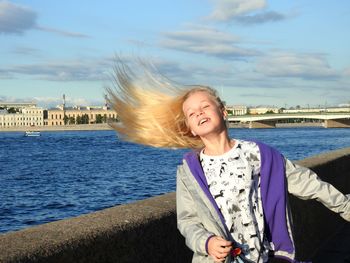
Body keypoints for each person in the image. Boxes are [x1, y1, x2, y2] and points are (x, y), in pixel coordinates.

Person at [108, 62, 350, 263]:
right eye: (192, 114)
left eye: (205, 106)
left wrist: (346, 207)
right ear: (190, 129)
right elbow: (187, 221)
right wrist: (207, 242)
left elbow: (310, 184)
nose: (199, 113)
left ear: (223, 112)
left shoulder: (260, 154)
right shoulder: (189, 172)